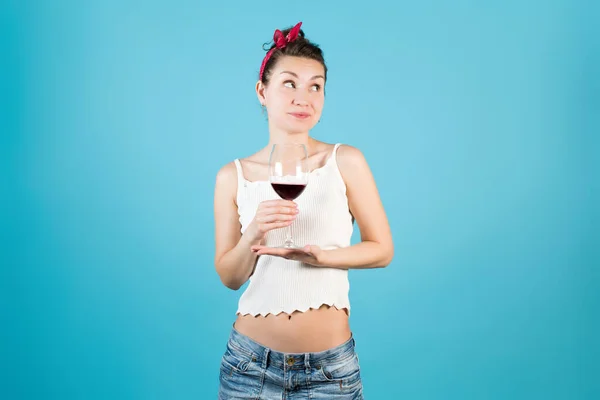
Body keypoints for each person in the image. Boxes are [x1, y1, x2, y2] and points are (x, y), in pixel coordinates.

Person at [214, 21, 393, 399]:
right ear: (262, 91)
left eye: (316, 86)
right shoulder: (233, 176)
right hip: (249, 367)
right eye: (290, 83)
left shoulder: (345, 160)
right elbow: (229, 277)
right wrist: (253, 233)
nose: (304, 97)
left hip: (330, 372)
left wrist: (321, 257)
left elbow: (381, 249)